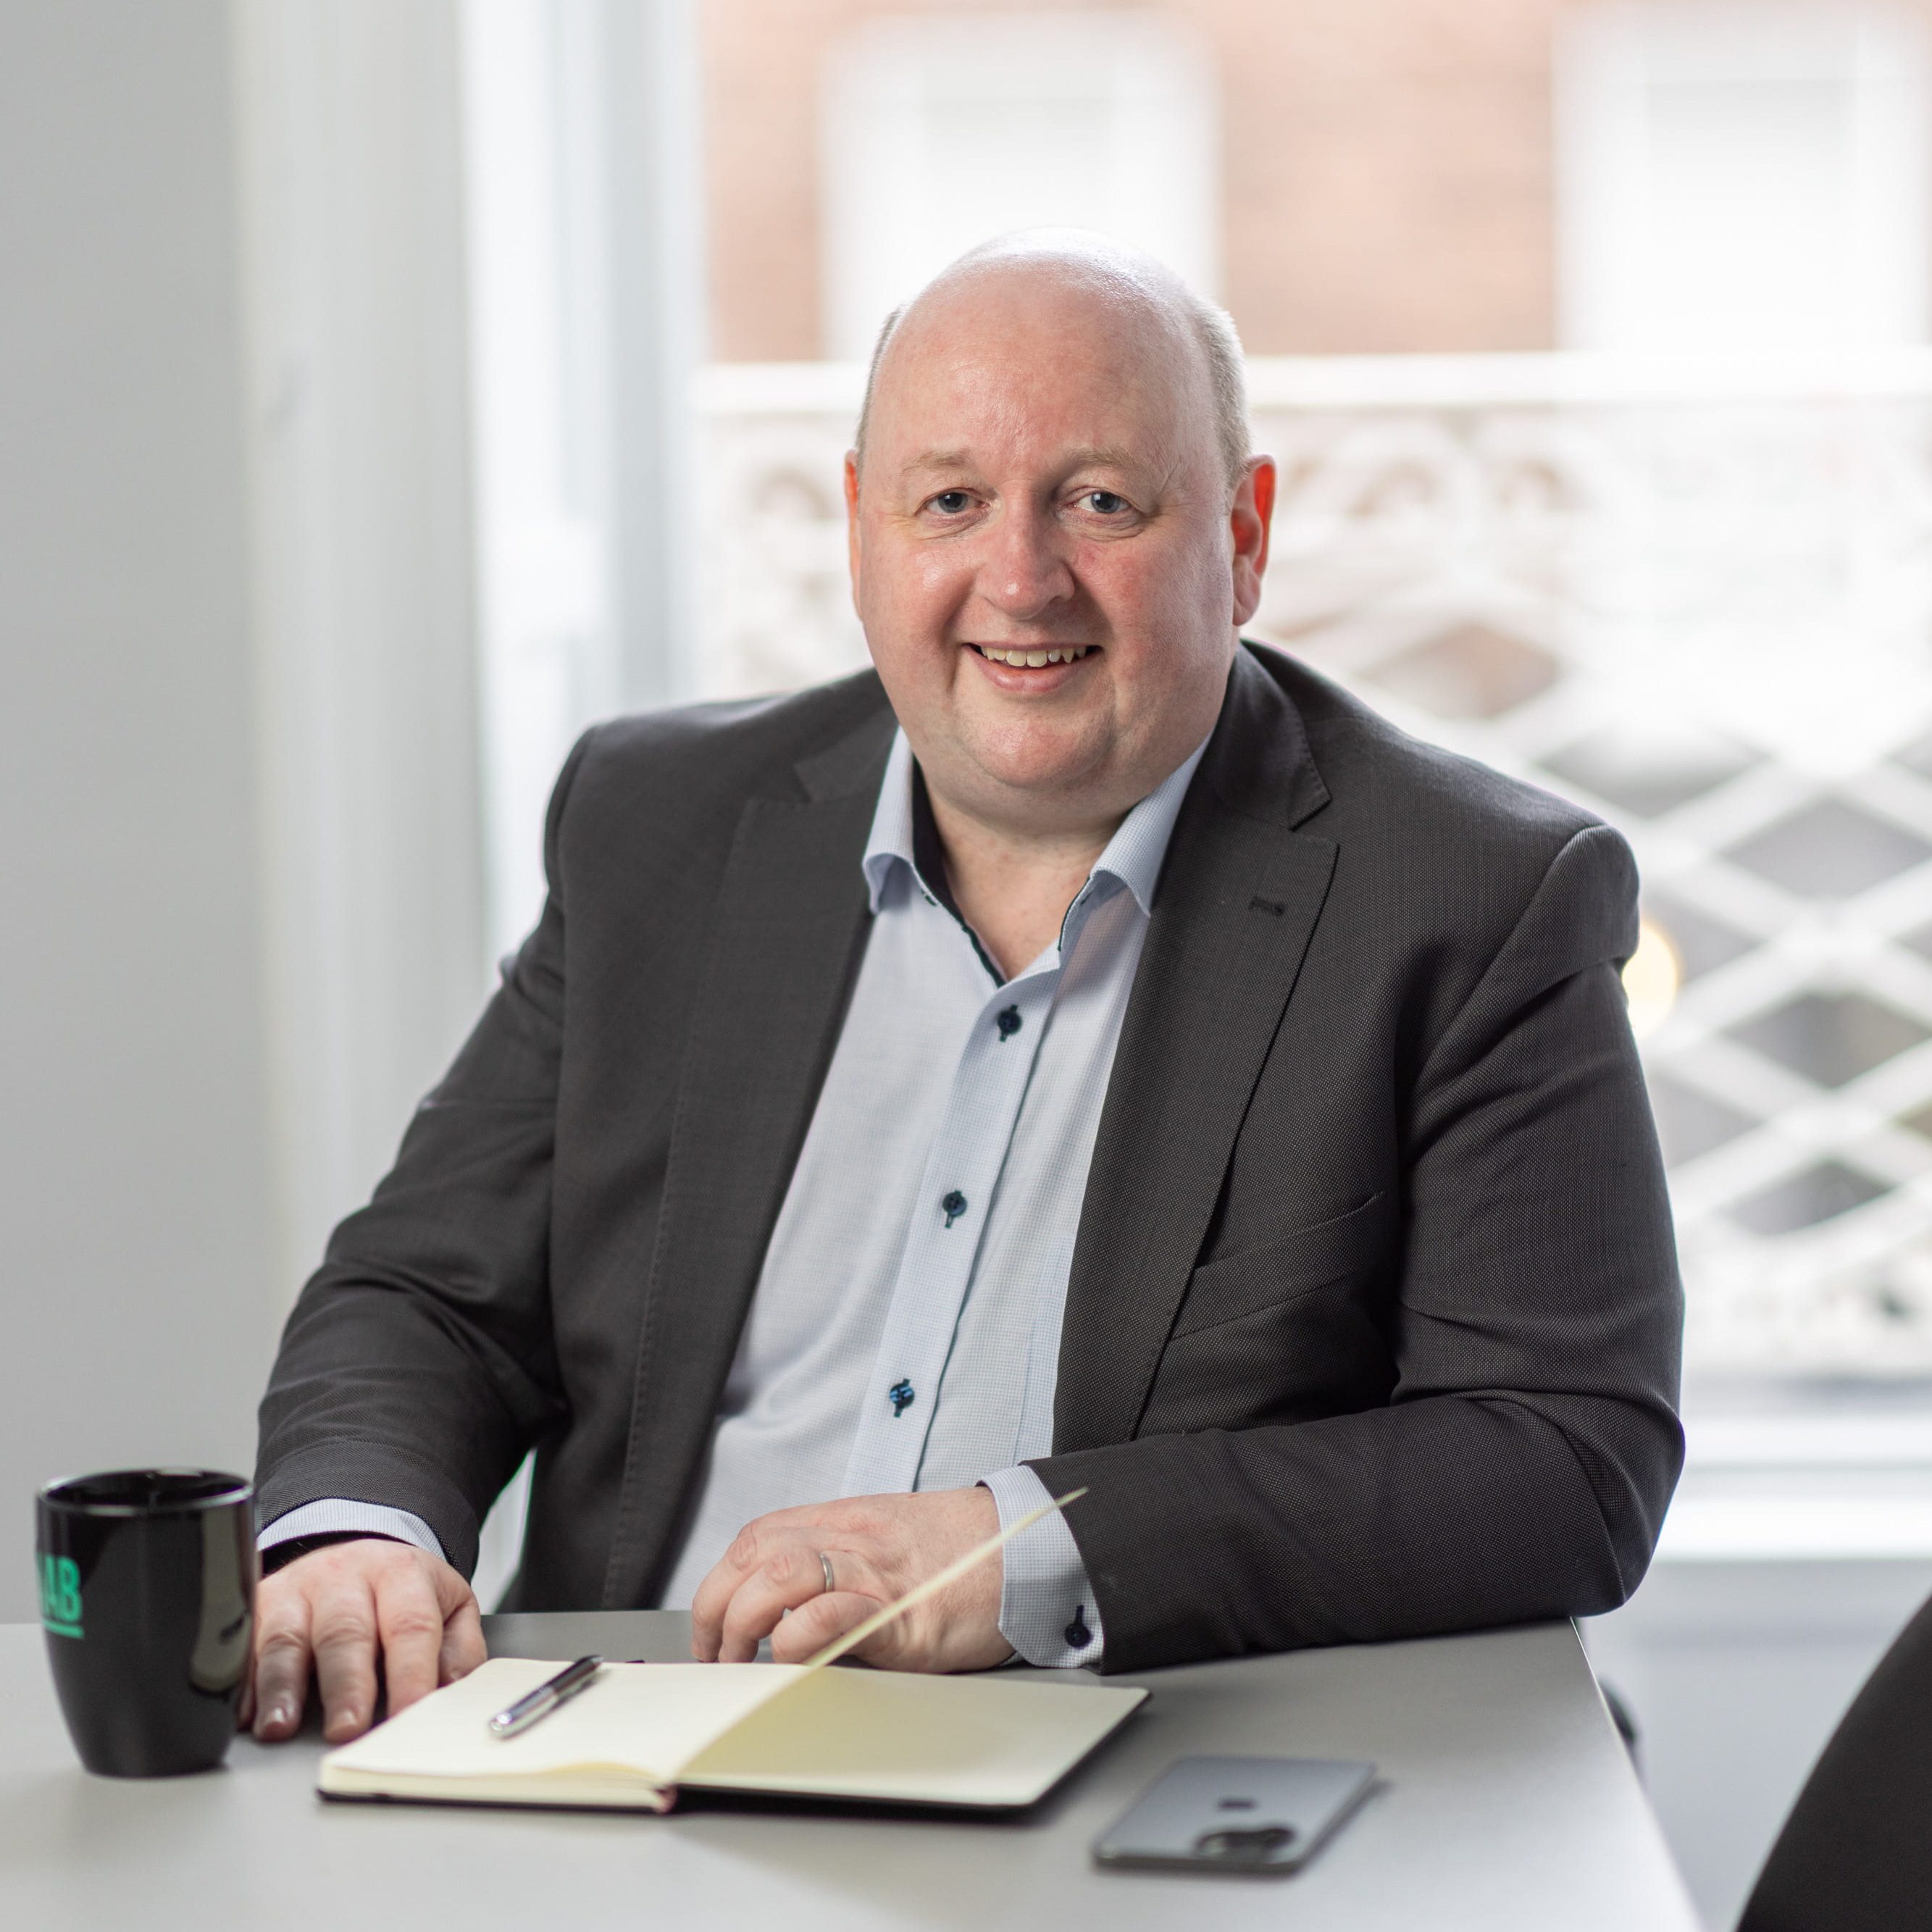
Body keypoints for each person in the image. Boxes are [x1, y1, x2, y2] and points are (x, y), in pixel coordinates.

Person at [245, 232, 1684, 1747]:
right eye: (949, 501)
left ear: (1243, 538)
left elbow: (1560, 1455)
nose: (1020, 578)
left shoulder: (1463, 900)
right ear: (861, 529)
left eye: (1099, 501)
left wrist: (1023, 1547)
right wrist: (359, 1535)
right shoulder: (657, 824)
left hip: (1130, 1771)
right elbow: (428, 1293)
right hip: (626, 1768)